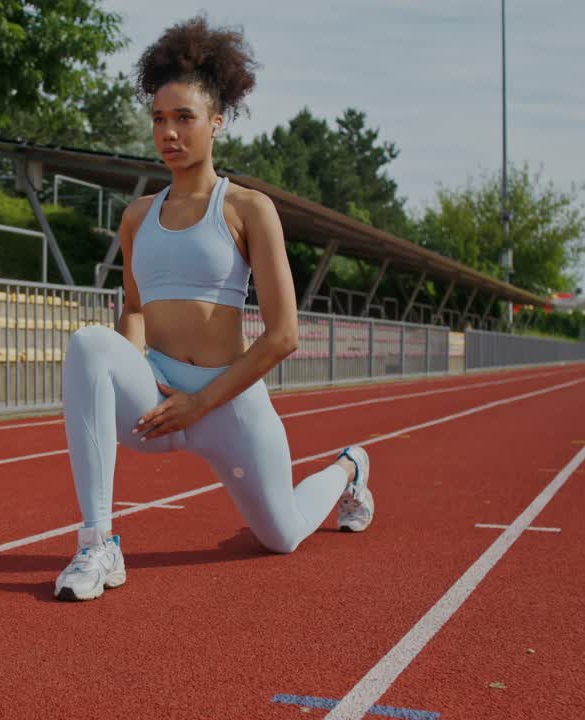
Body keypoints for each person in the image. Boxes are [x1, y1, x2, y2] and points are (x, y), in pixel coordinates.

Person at [54, 16, 375, 602]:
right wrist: (141, 369)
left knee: (281, 536)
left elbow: (282, 336)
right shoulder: (137, 217)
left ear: (217, 122)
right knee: (88, 344)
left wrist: (199, 403)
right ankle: (98, 544)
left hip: (224, 403)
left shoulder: (249, 208)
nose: (168, 132)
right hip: (158, 397)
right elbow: (133, 309)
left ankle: (348, 470)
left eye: (184, 118)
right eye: (158, 118)